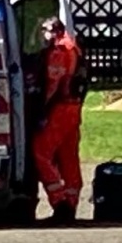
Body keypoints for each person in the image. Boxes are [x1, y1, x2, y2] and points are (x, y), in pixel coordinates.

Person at [32, 15, 85, 224]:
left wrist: (41, 111)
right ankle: (70, 204)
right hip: (74, 108)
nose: (43, 36)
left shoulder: (59, 52)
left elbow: (53, 84)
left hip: (60, 109)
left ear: (53, 31)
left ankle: (59, 202)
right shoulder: (74, 49)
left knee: (40, 152)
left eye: (45, 31)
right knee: (68, 157)